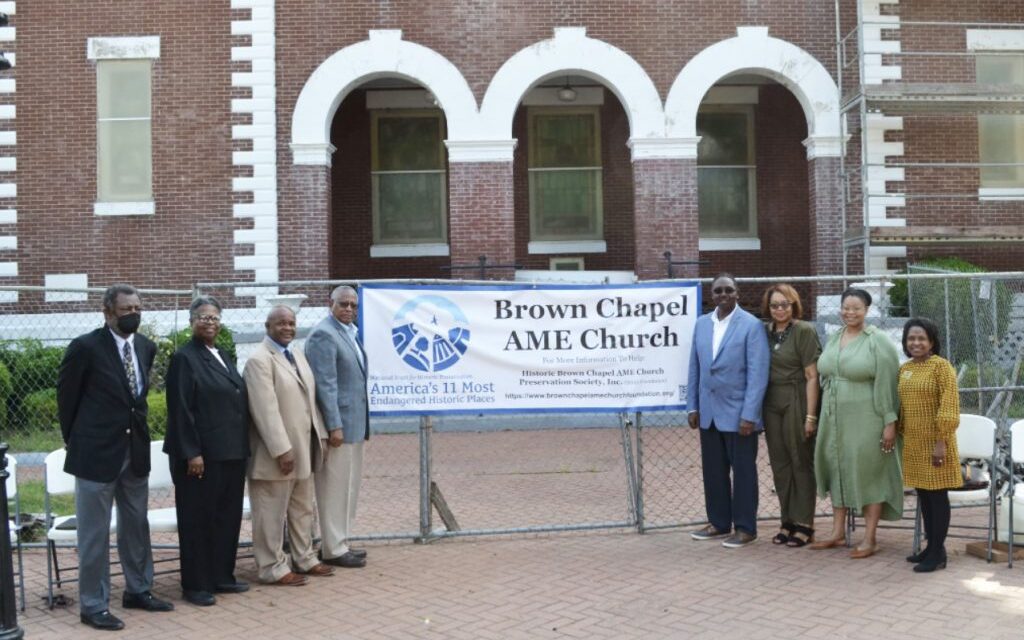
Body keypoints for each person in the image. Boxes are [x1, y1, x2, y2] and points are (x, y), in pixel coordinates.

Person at [56, 284, 174, 631]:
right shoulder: (85, 348)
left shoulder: (146, 347)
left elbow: (135, 400)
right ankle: (93, 604)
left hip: (133, 453)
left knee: (136, 525)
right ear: (108, 312)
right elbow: (68, 399)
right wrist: (76, 441)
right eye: (126, 309)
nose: (133, 314)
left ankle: (139, 589)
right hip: (95, 455)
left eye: (138, 307)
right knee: (94, 533)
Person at [164, 296, 249, 606]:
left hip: (231, 452)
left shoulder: (223, 354)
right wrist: (191, 453)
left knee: (226, 518)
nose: (209, 322)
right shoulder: (184, 359)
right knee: (198, 520)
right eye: (202, 317)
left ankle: (221, 576)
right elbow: (181, 410)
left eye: (214, 317)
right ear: (191, 322)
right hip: (201, 458)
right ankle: (196, 584)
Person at [244, 305, 334, 586]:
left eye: (291, 323)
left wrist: (320, 436)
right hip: (277, 454)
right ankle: (271, 566)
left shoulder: (296, 354)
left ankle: (304, 557)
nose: (287, 328)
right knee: (270, 513)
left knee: (302, 507)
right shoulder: (259, 360)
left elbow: (309, 399)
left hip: (304, 448)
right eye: (281, 323)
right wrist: (282, 450)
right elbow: (265, 410)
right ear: (267, 326)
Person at [810, 288, 902, 558]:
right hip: (833, 416)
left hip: (867, 417)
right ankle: (838, 532)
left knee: (868, 471)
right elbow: (825, 372)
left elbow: (887, 383)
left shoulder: (878, 341)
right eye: (845, 307)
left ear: (867, 310)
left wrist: (889, 421)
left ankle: (870, 537)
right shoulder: (835, 337)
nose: (849, 312)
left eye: (856, 308)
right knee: (837, 465)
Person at [687, 274, 770, 548]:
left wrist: (750, 415)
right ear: (712, 295)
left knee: (743, 472)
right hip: (709, 413)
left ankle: (746, 528)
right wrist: (693, 406)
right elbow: (695, 367)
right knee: (713, 471)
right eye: (718, 290)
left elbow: (758, 374)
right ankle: (719, 522)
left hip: (739, 416)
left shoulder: (751, 325)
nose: (723, 294)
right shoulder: (701, 324)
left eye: (728, 290)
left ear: (737, 293)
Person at [305, 285, 369, 568]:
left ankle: (342, 540)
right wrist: (334, 426)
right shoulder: (324, 335)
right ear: (329, 303)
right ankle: (333, 547)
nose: (349, 310)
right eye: (343, 304)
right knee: (334, 488)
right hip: (339, 428)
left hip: (355, 424)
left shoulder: (348, 332)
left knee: (349, 487)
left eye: (353, 305)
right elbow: (326, 385)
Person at [898, 317, 961, 573]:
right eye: (911, 338)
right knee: (924, 495)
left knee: (937, 496)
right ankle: (932, 547)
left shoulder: (941, 367)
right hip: (914, 442)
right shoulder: (905, 369)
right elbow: (902, 406)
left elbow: (949, 405)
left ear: (932, 342)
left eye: (921, 338)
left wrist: (941, 441)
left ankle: (937, 554)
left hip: (937, 442)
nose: (916, 343)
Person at [761, 284, 821, 547]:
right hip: (771, 400)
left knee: (800, 461)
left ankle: (804, 523)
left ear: (794, 305)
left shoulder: (804, 331)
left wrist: (810, 416)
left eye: (785, 304)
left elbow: (812, 376)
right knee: (780, 463)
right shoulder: (764, 331)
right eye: (775, 305)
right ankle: (787, 521)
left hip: (796, 397)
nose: (780, 309)